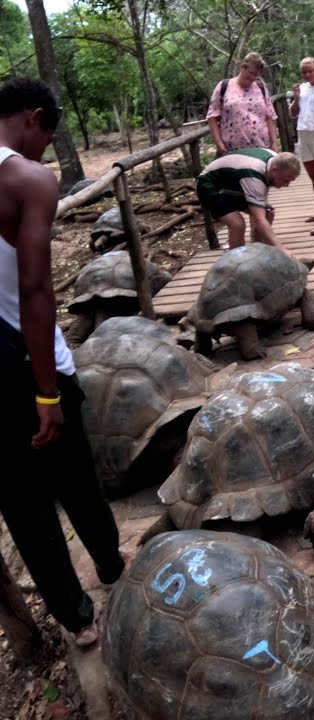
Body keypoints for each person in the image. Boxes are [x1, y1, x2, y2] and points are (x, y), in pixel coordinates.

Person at [0, 77, 126, 648]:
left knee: (22, 505)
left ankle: (77, 620)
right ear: (33, 117)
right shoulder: (25, 179)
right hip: (28, 361)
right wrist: (46, 393)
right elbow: (33, 288)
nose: (46, 149)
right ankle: (110, 566)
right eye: (47, 134)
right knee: (75, 472)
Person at [195, 148, 302, 254]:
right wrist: (281, 248)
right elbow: (259, 219)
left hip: (233, 185)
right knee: (237, 224)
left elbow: (260, 197)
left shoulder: (275, 160)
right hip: (210, 185)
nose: (286, 185)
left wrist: (260, 204)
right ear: (274, 170)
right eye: (285, 180)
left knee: (268, 213)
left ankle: (257, 251)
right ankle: (236, 261)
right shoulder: (254, 174)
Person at [207, 52, 279, 156]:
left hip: (262, 149)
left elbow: (270, 117)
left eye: (256, 74)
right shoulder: (224, 86)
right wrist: (219, 145)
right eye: (251, 73)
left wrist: (274, 144)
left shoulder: (260, 87)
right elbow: (212, 117)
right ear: (242, 68)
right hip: (232, 152)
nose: (253, 77)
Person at [289, 57, 314, 224]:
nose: (307, 74)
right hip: (303, 133)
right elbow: (293, 113)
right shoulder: (302, 88)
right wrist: (297, 98)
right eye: (304, 72)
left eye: (310, 71)